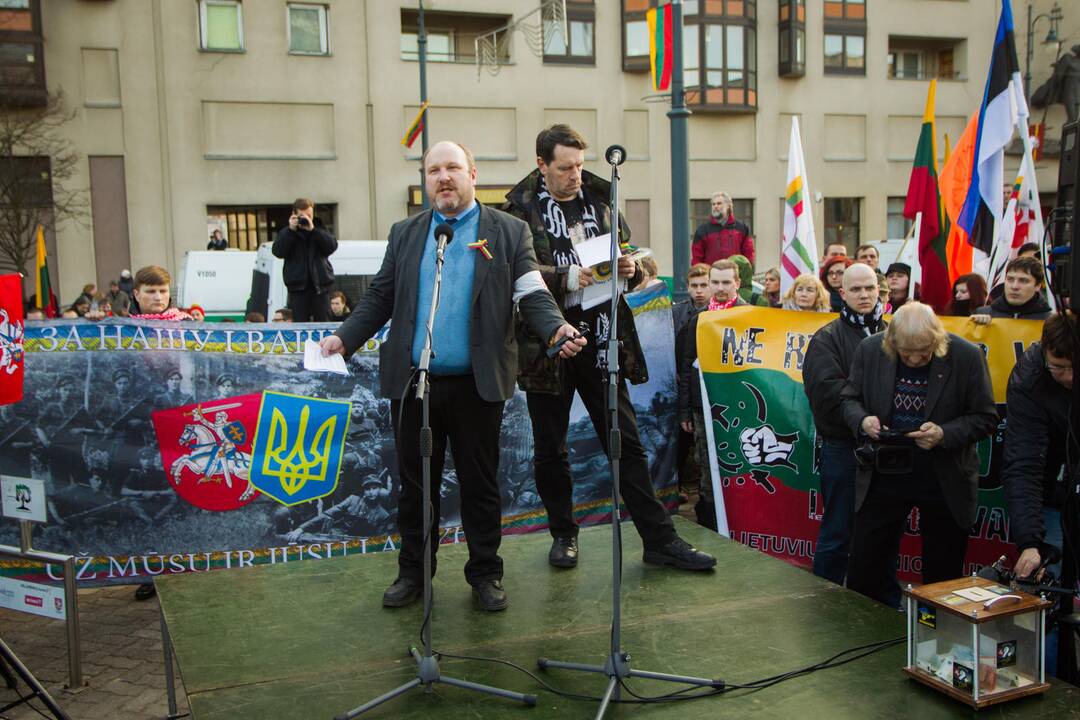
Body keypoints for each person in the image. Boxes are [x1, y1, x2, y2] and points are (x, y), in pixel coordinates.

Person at [322, 140, 584, 612]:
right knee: (414, 487)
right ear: (426, 180)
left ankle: (485, 574)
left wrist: (556, 328)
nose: (443, 178)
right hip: (413, 383)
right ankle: (414, 574)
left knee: (480, 485)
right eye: (434, 170)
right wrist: (345, 338)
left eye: (453, 168)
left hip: (476, 385)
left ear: (473, 174)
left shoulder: (508, 231)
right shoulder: (406, 233)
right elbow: (381, 296)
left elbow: (531, 293)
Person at [503, 123, 715, 572]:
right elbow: (511, 274)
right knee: (550, 449)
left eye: (580, 165)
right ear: (542, 165)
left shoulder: (603, 200)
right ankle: (564, 534)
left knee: (628, 444)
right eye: (565, 167)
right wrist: (565, 277)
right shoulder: (517, 212)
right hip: (547, 347)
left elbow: (629, 262)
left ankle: (658, 540)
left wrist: (630, 269)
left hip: (604, 338)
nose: (576, 175)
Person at [841, 303, 997, 608]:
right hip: (885, 466)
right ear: (891, 342)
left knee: (943, 569)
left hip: (942, 471)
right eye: (906, 353)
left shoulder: (965, 356)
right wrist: (862, 420)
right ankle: (867, 622)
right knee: (866, 563)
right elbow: (849, 398)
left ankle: (936, 636)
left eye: (924, 352)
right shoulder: (871, 350)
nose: (914, 359)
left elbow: (985, 417)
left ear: (938, 340)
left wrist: (944, 433)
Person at [1001, 312, 1078, 676]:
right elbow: (1024, 461)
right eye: (1059, 367)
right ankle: (1041, 681)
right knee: (1042, 597)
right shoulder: (1031, 378)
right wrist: (1030, 541)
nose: (1069, 378)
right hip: (1050, 495)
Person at [802, 264, 885, 586]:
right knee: (838, 530)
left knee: (880, 531)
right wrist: (865, 414)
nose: (864, 295)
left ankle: (878, 598)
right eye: (856, 290)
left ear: (878, 289)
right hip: (842, 448)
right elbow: (826, 393)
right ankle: (828, 598)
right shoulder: (827, 339)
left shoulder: (892, 333)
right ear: (842, 293)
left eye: (869, 288)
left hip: (884, 449)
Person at [677, 259, 747, 529]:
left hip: (740, 406)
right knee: (707, 467)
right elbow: (685, 368)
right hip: (704, 407)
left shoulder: (750, 315)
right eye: (714, 282)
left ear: (737, 283)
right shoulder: (699, 320)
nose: (719, 288)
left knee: (740, 463)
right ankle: (710, 523)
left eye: (725, 282)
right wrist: (685, 410)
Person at [672, 263, 712, 499]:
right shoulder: (677, 311)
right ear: (687, 287)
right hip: (680, 382)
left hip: (704, 385)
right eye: (694, 286)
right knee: (681, 440)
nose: (699, 290)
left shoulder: (716, 312)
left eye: (703, 285)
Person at [272, 198, 338, 321]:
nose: (306, 218)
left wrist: (313, 231)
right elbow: (278, 251)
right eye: (303, 215)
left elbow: (332, 246)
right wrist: (291, 231)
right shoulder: (287, 232)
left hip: (320, 287)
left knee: (323, 323)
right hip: (298, 288)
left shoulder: (319, 228)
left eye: (309, 215)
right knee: (300, 324)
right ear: (294, 214)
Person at [973, 256, 1052, 322]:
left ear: (1037, 286)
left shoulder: (1050, 321)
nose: (1014, 286)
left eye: (1023, 281)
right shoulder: (982, 313)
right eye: (1010, 279)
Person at [691, 191, 754, 266]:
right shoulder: (702, 230)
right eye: (713, 204)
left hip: (734, 276)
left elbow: (748, 254)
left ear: (728, 206)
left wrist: (748, 272)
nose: (715, 206)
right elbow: (697, 259)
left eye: (719, 203)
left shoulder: (742, 228)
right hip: (712, 276)